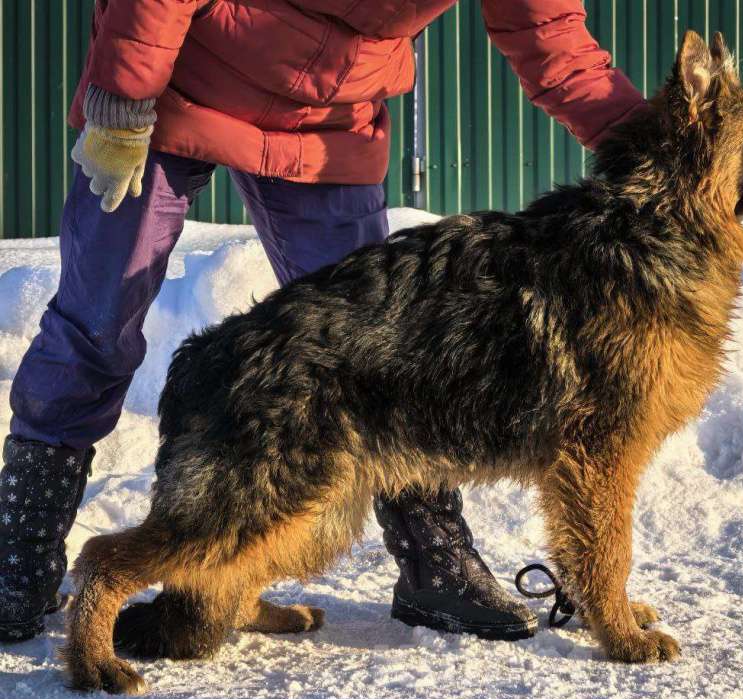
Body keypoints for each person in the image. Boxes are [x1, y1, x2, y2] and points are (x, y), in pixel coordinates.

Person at [0, 0, 643, 643]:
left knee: (389, 335)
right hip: (172, 84)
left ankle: (432, 561)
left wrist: (660, 141)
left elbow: (546, 27)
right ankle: (20, 553)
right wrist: (122, 98)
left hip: (327, 117)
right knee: (96, 324)